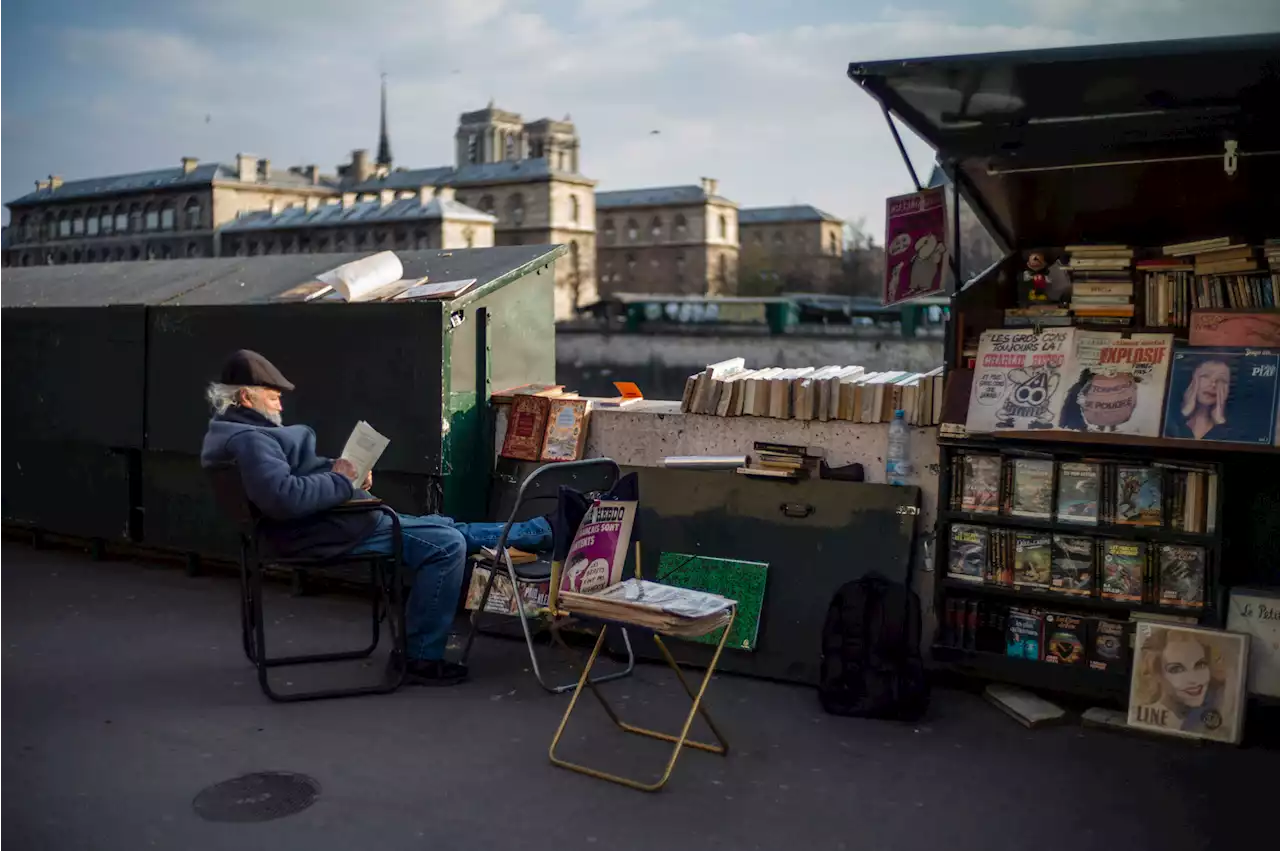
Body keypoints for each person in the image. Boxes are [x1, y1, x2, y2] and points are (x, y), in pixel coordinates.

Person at [199, 350, 551, 686]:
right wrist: (339, 480)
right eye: (273, 396)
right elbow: (283, 498)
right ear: (246, 398)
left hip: (331, 522)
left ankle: (541, 531)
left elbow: (290, 480)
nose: (280, 403)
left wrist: (344, 472)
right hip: (328, 531)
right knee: (445, 545)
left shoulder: (235, 435)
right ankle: (419, 658)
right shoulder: (250, 440)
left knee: (443, 529)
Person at [1165, 358, 1233, 441]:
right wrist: (1183, 414)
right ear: (1191, 381)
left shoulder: (1233, 430)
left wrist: (1220, 423)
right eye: (1205, 376)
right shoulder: (1168, 418)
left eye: (1222, 380)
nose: (1213, 384)